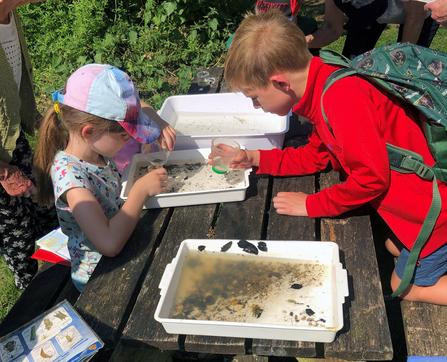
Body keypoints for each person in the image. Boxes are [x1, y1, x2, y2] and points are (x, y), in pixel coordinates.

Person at [223, 10, 447, 305]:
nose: (254, 106)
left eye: (254, 96)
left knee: (403, 288)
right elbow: (318, 155)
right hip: (417, 204)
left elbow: (371, 180)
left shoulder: (341, 101)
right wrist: (256, 158)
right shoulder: (323, 81)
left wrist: (314, 204)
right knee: (393, 247)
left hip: (433, 215)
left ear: (280, 83)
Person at [33, 63, 176, 292]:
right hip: (100, 278)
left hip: (124, 245)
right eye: (123, 135)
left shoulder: (96, 151)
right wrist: (140, 191)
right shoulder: (70, 178)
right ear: (88, 131)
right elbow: (109, 244)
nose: (130, 141)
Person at [1, 0, 59, 290]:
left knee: (47, 207)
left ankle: (61, 283)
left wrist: (38, 120)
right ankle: (30, 306)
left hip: (11, 138)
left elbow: (11, 87)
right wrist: (4, 173)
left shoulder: (10, 17)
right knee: (18, 235)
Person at [307, 0, 439, 59]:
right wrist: (302, 42)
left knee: (409, 65)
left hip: (422, 13)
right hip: (374, 11)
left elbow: (416, 15)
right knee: (351, 62)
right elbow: (332, 28)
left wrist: (401, 59)